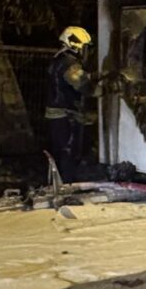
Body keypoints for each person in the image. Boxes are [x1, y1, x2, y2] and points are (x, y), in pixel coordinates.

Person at [46, 26, 96, 183]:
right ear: (76, 44)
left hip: (56, 113)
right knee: (69, 153)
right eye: (85, 46)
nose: (86, 51)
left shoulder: (57, 60)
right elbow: (86, 87)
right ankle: (67, 186)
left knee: (60, 153)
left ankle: (58, 183)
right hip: (66, 115)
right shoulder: (69, 64)